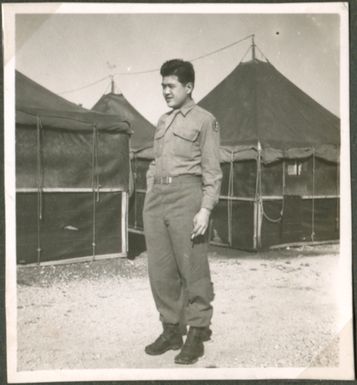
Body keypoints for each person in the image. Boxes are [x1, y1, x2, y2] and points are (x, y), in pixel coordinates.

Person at [143, 59, 222, 365]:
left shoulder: (205, 120)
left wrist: (204, 208)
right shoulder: (162, 121)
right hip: (158, 197)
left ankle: (197, 331)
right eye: (163, 85)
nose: (165, 91)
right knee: (160, 270)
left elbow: (212, 171)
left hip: (187, 195)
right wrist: (151, 189)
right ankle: (172, 328)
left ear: (188, 87)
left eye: (171, 85)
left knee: (192, 267)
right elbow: (154, 161)